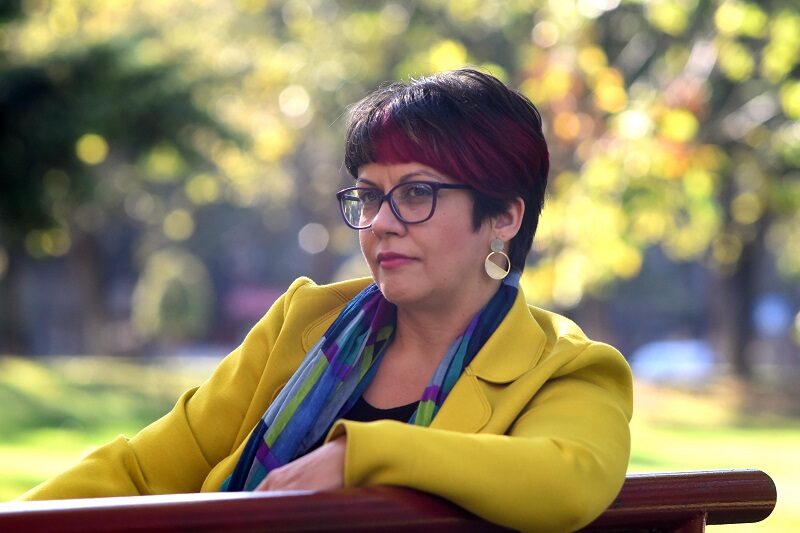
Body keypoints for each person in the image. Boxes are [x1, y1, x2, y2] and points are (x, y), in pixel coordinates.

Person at [19, 69, 633, 532]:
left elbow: (569, 479)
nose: (382, 222)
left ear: (503, 216)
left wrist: (358, 457)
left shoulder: (565, 370)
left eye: (415, 193)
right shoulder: (302, 322)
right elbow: (141, 473)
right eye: (369, 195)